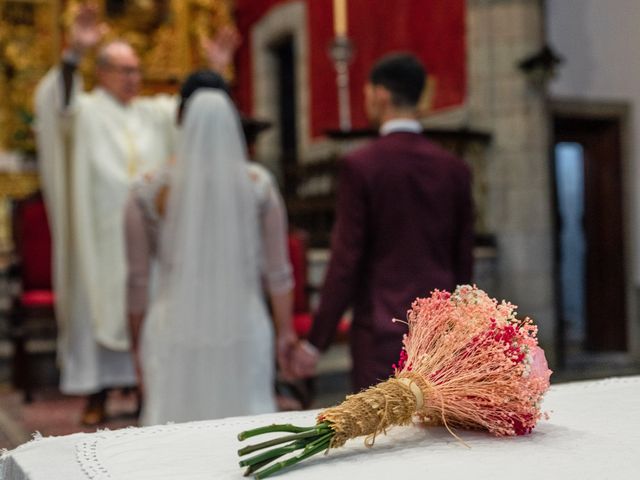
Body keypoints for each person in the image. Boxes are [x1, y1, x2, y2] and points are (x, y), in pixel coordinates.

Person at [34, 4, 239, 424]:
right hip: (98, 234)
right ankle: (97, 392)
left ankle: (149, 386)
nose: (134, 79)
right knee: (96, 303)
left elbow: (197, 114)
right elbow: (56, 104)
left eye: (136, 70)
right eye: (124, 71)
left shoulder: (153, 112)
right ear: (102, 72)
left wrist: (216, 71)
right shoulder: (85, 110)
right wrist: (74, 53)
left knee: (148, 305)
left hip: (147, 235)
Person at [292, 53, 474, 391]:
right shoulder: (455, 169)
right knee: (440, 436)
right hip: (440, 332)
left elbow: (346, 261)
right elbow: (463, 260)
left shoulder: (362, 165)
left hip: (381, 332)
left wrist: (316, 342)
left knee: (383, 438)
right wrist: (462, 331)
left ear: (381, 94)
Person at [128, 87, 296, 425]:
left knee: (171, 432)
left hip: (172, 325)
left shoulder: (146, 189)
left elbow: (137, 279)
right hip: (243, 323)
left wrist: (135, 339)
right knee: (245, 427)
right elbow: (278, 272)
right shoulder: (258, 184)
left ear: (180, 120)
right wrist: (286, 331)